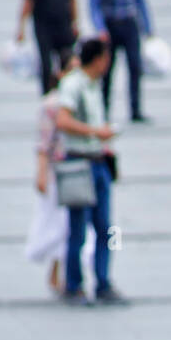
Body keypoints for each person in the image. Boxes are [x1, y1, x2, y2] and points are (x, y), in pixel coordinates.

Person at [55, 37, 127, 307]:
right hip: (79, 163)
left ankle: (102, 282)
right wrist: (97, 132)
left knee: (104, 228)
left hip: (98, 162)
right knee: (78, 230)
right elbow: (62, 120)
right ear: (97, 59)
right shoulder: (73, 84)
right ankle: (73, 286)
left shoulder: (95, 85)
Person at [89, 0, 153, 125]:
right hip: (110, 24)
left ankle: (135, 108)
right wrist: (100, 27)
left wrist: (148, 27)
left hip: (129, 22)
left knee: (134, 67)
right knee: (107, 70)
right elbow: (99, 1)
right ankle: (103, 110)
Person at [24, 56, 75, 295]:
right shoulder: (51, 105)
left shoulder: (84, 95)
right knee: (58, 224)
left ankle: (74, 274)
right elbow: (43, 144)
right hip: (60, 172)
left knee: (78, 226)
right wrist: (41, 173)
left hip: (81, 170)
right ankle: (58, 273)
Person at [17, 0, 78, 95]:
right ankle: (47, 95)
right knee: (46, 63)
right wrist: (21, 28)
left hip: (64, 24)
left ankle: (67, 93)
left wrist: (75, 22)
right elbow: (28, 2)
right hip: (44, 26)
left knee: (68, 60)